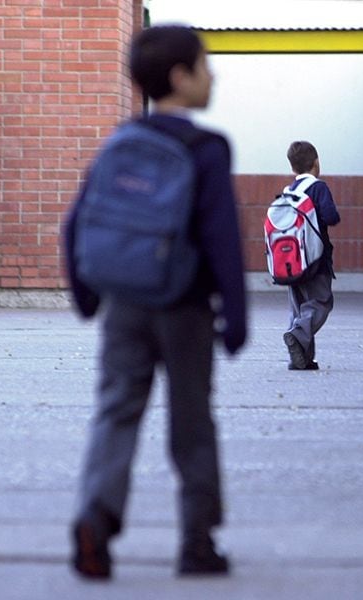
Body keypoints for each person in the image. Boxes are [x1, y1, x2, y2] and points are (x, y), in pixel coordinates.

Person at [63, 25, 247, 579]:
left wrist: (86, 295)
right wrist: (235, 315)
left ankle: (96, 519)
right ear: (180, 77)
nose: (213, 75)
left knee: (116, 411)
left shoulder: (120, 141)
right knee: (192, 422)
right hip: (185, 307)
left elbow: (76, 223)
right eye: (205, 65)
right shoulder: (206, 148)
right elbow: (221, 238)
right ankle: (197, 542)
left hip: (123, 302)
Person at [281, 141, 341, 370]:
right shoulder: (318, 188)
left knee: (299, 307)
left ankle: (302, 358)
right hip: (316, 259)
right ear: (316, 163)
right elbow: (331, 216)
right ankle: (297, 335)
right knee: (320, 302)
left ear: (292, 168)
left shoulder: (289, 191)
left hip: (292, 260)